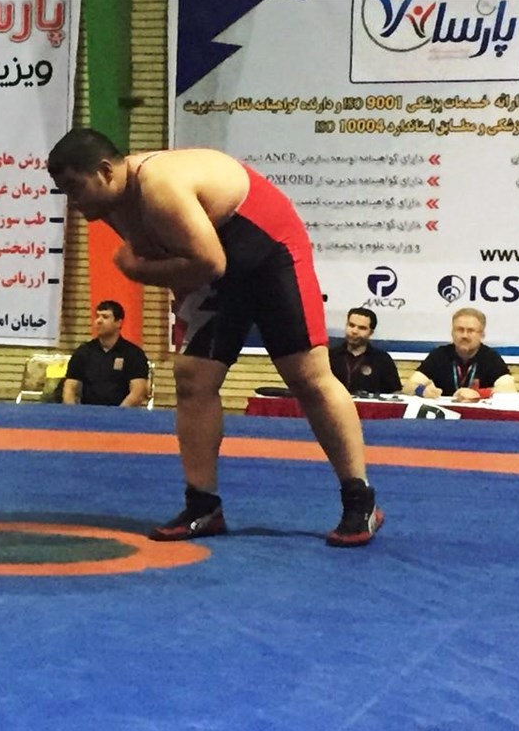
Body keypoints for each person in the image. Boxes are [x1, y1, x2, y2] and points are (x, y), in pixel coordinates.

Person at [47, 128, 382, 547]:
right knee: (192, 377)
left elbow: (207, 263)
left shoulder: (158, 185)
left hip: (269, 250)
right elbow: (174, 256)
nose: (73, 202)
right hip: (217, 261)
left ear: (104, 171)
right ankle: (202, 505)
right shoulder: (110, 204)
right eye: (64, 192)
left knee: (307, 376)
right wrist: (176, 296)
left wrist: (136, 271)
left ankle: (359, 499)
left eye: (75, 188)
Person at [403, 307, 515, 401]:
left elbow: (509, 390)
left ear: (482, 335)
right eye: (460, 330)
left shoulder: (490, 357)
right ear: (452, 332)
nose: (464, 336)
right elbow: (408, 387)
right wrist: (422, 391)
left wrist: (479, 394)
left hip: (477, 416)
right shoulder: (440, 355)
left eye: (470, 331)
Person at [63, 299, 151, 406]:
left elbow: (138, 391)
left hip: (121, 412)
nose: (99, 321)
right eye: (97, 316)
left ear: (118, 323)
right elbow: (70, 387)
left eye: (105, 317)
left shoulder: (133, 354)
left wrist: (118, 413)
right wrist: (72, 411)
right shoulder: (83, 352)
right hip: (88, 412)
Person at [328, 307, 401, 395]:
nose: (354, 331)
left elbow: (395, 392)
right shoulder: (329, 356)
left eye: (362, 328)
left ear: (371, 333)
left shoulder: (382, 360)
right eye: (351, 325)